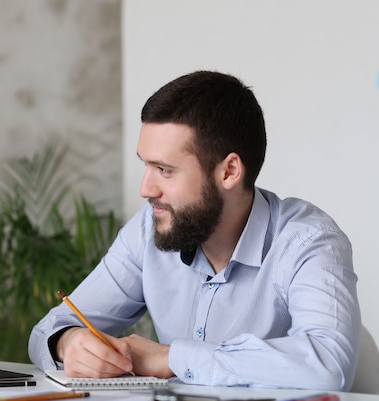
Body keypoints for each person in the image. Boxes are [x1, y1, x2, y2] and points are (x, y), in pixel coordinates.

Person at [28, 70, 361, 391]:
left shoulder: (307, 241)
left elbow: (328, 365)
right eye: (146, 165)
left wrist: (173, 358)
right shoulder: (149, 229)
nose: (146, 189)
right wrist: (69, 343)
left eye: (164, 170)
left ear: (229, 172)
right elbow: (47, 330)